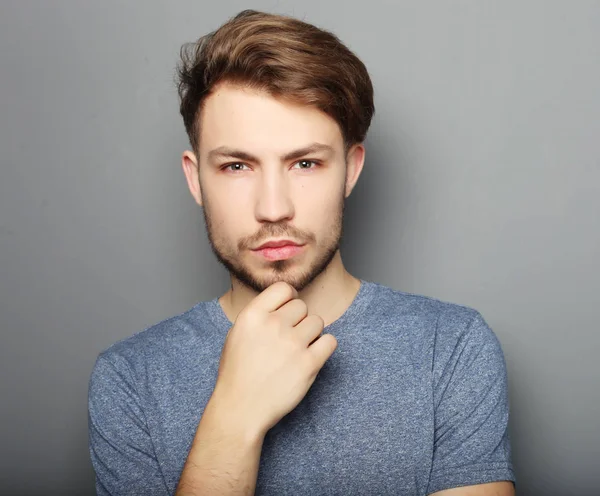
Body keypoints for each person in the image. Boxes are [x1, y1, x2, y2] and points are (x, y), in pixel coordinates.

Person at [88, 9, 516, 496]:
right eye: (236, 167)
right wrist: (233, 418)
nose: (273, 208)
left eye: (305, 163)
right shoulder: (129, 379)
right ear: (195, 178)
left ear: (351, 169)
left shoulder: (451, 348)